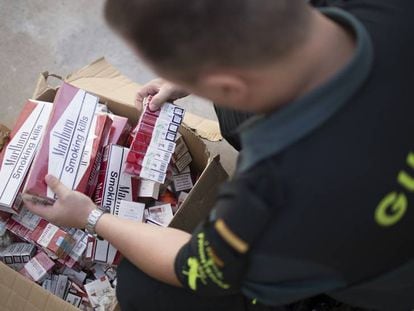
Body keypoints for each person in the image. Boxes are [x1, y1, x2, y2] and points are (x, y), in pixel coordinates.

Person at [22, 0, 414, 310]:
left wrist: (91, 215)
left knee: (143, 287)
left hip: (388, 274)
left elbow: (195, 270)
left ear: (228, 82)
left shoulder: (263, 195)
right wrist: (194, 77)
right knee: (234, 119)